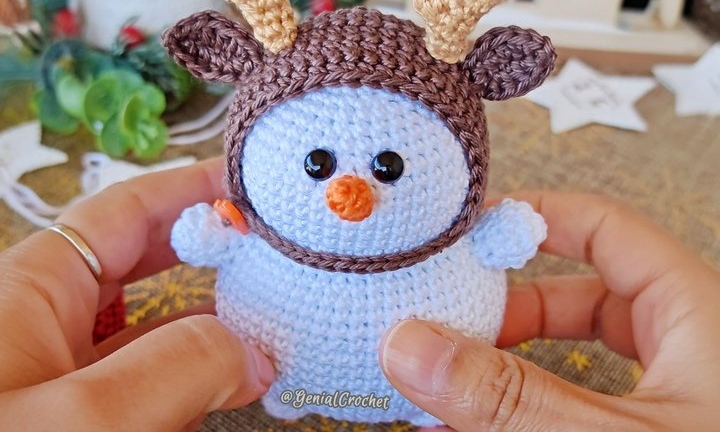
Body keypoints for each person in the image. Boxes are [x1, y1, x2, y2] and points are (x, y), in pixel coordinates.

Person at [0, 160, 718, 431]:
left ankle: (415, 405)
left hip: (410, 384)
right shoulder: (261, 228)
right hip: (284, 376)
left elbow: (505, 236)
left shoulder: (452, 231)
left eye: (387, 166)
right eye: (317, 164)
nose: (350, 191)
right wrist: (213, 235)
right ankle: (307, 396)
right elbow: (203, 238)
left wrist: (504, 232)